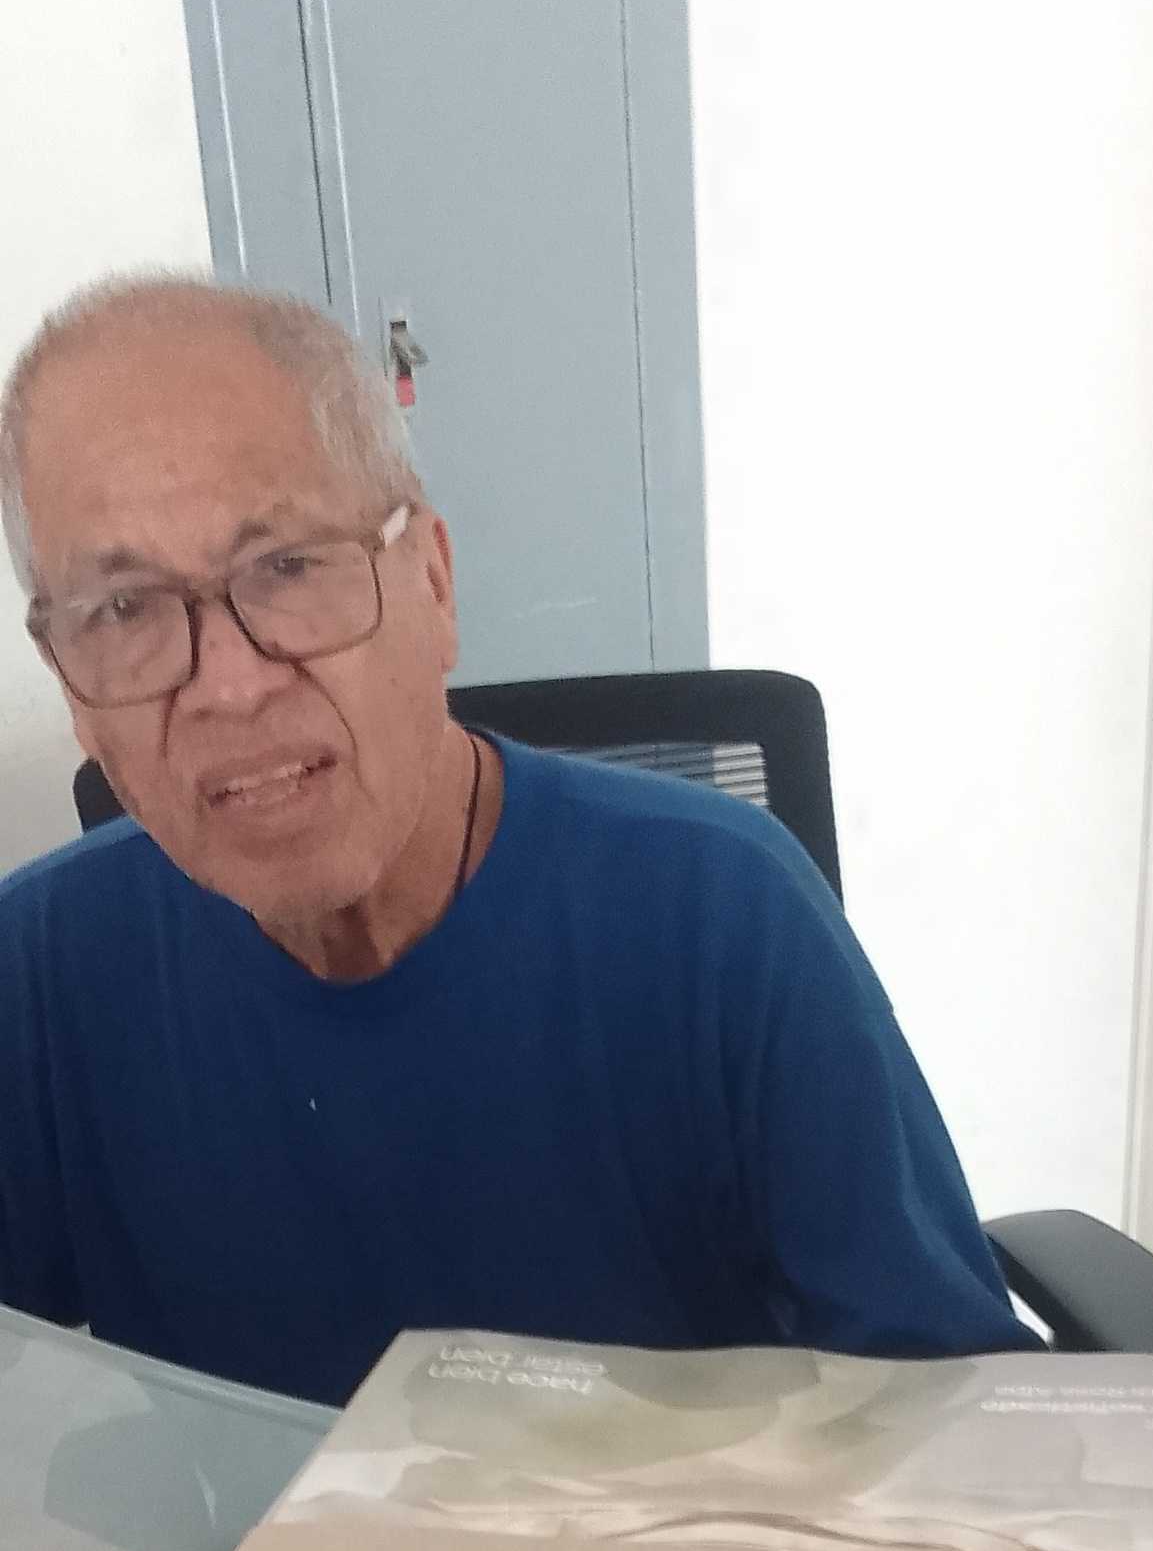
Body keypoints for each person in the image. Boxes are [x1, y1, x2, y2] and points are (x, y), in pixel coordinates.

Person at [0, 274, 1037, 1408]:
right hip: (260, 1530)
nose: (231, 685)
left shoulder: (723, 916)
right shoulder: (42, 968)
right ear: (69, 685)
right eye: (124, 609)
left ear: (433, 582)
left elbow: (942, 1412)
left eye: (286, 567)